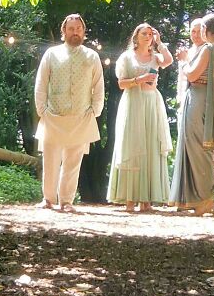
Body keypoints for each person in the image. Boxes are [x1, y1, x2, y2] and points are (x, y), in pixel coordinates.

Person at [34, 14, 105, 212]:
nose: (75, 32)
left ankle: (66, 201)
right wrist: (42, 110)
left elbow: (98, 85)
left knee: (73, 161)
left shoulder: (92, 56)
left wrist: (95, 111)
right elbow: (41, 83)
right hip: (53, 115)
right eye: (71, 28)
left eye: (79, 29)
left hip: (81, 116)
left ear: (83, 32)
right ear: (63, 31)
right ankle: (48, 199)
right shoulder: (51, 53)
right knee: (50, 159)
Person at [107, 23, 173, 212]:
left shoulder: (155, 56)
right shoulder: (127, 57)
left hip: (151, 103)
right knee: (132, 145)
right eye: (144, 33)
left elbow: (168, 61)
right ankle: (130, 198)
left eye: (150, 34)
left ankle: (146, 200)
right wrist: (139, 80)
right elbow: (121, 84)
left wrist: (160, 42)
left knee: (150, 145)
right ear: (136, 36)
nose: (148, 36)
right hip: (133, 103)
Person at [170, 12, 214, 216]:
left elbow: (192, 73)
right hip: (206, 99)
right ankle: (198, 197)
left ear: (205, 30)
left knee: (196, 145)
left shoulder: (208, 49)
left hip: (198, 98)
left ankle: (204, 198)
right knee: (203, 146)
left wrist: (185, 60)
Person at [176, 17, 214, 110]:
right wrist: (181, 99)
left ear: (205, 30)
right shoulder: (188, 52)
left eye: (199, 31)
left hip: (204, 100)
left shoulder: (211, 50)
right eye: (193, 31)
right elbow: (182, 79)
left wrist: (204, 83)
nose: (196, 35)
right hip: (187, 100)